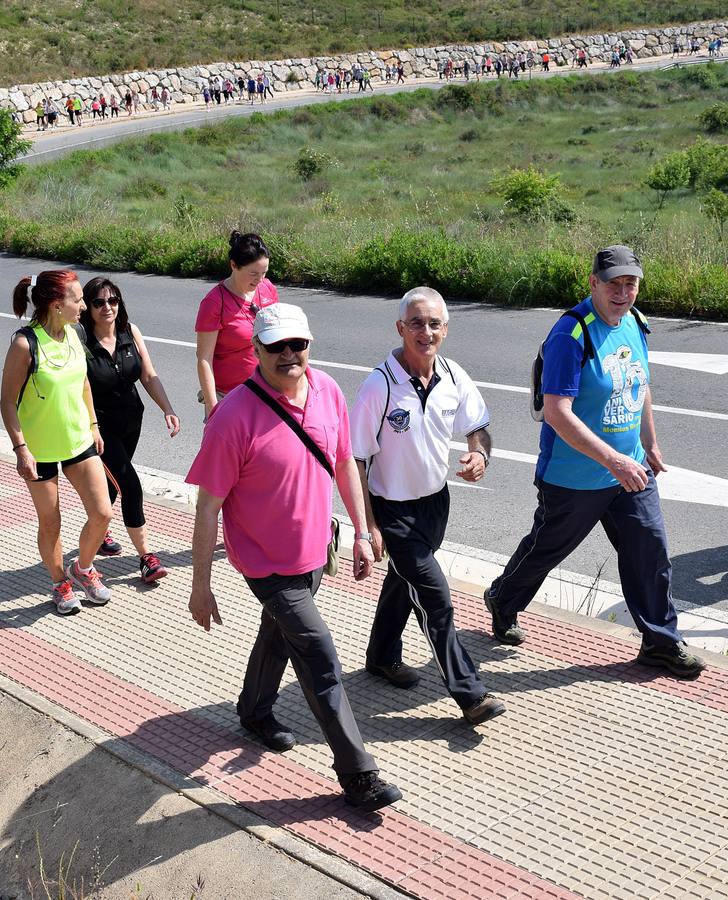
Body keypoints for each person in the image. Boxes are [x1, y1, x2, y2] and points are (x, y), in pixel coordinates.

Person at [186, 303, 402, 812]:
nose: (288, 355)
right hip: (263, 562)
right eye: (275, 346)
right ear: (255, 350)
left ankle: (255, 710)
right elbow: (207, 506)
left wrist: (362, 529)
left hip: (312, 551)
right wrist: (200, 584)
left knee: (280, 633)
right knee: (319, 654)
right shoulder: (232, 417)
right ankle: (358, 774)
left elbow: (345, 461)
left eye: (297, 345)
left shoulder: (327, 390)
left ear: (309, 345)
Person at [483, 246, 706, 678]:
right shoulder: (571, 335)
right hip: (575, 476)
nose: (623, 292)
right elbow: (557, 412)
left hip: (630, 470)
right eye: (614, 284)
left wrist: (649, 444)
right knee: (548, 548)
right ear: (593, 283)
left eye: (631, 284)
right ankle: (503, 599)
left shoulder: (635, 324)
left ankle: (660, 641)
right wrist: (614, 461)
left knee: (650, 552)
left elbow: (638, 386)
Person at [350, 287, 506, 726]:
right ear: (400, 328)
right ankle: (469, 693)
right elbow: (354, 459)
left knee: (404, 583)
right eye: (416, 323)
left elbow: (478, 426)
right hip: (392, 510)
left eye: (434, 324)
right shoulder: (378, 385)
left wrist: (480, 454)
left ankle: (381, 657)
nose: (426, 332)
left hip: (435, 505)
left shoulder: (454, 376)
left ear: (446, 330)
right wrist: (367, 526)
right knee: (436, 600)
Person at [1, 271, 113, 615]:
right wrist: (21, 448)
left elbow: (83, 383)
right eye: (77, 300)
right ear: (56, 304)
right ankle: (59, 581)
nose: (83, 305)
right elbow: (6, 401)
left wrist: (93, 424)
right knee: (51, 523)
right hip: (40, 450)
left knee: (103, 512)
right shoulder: (25, 343)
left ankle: (83, 567)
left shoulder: (75, 333)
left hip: (78, 439)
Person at [80, 277, 180, 583]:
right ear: (87, 306)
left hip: (131, 421)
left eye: (112, 300)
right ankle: (147, 557)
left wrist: (168, 408)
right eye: (98, 302)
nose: (107, 307)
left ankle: (100, 530)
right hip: (100, 426)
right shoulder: (81, 340)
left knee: (112, 483)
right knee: (130, 485)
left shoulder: (129, 331)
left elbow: (148, 375)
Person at [195, 231, 279, 419]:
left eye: (264, 273)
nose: (259, 280)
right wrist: (213, 407)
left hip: (267, 392)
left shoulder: (267, 289)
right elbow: (204, 359)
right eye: (253, 274)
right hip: (229, 397)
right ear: (233, 265)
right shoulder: (215, 302)